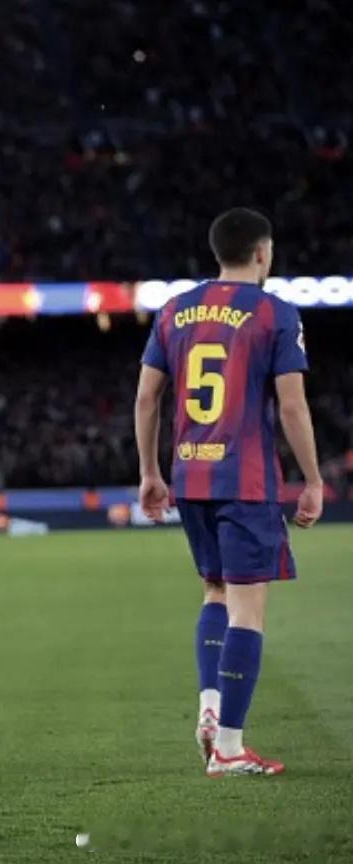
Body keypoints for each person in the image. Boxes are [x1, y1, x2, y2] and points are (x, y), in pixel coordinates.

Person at [135, 206, 323, 777]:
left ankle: (212, 709)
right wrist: (313, 480)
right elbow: (292, 406)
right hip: (245, 479)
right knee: (248, 611)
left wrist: (149, 472)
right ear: (262, 253)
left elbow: (146, 398)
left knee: (215, 592)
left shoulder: (174, 310)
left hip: (191, 476)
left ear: (218, 252)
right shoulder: (274, 313)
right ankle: (230, 748)